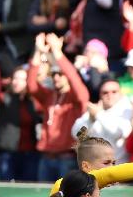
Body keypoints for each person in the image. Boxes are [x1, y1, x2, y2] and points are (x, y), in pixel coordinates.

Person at [27, 33, 91, 182]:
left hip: (67, 158)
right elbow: (31, 85)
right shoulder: (49, 95)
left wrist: (57, 52)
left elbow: (74, 78)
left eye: (60, 74)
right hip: (46, 157)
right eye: (54, 74)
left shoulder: (76, 97)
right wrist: (37, 52)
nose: (56, 77)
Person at [70, 78, 133, 163]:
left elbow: (119, 133)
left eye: (114, 92)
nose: (110, 95)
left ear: (121, 93)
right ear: (100, 95)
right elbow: (76, 134)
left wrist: (98, 114)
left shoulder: (127, 109)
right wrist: (90, 120)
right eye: (105, 92)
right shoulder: (95, 110)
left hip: (119, 166)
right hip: (96, 166)